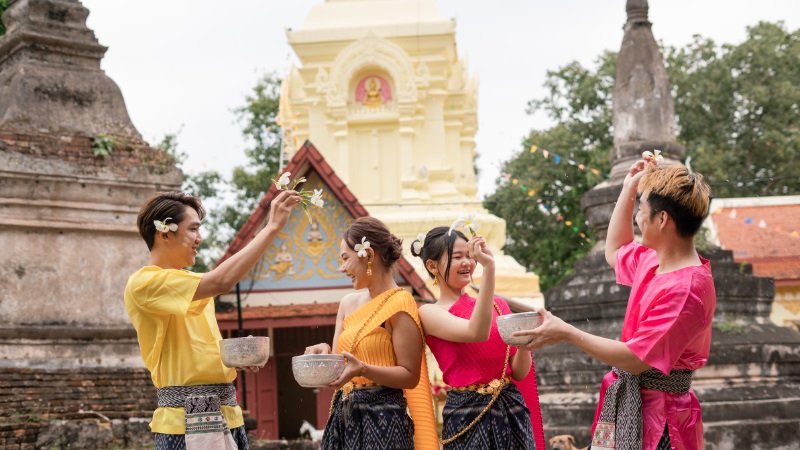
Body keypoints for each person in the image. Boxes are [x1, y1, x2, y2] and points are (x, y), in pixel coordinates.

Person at [515, 158, 715, 450]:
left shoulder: (686, 289)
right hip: (630, 402)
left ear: (662, 220)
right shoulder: (654, 259)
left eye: (641, 211)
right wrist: (629, 188)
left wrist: (567, 333)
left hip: (663, 420)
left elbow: (635, 359)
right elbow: (616, 249)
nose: (637, 219)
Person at [124, 189, 300, 450]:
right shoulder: (144, 283)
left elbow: (199, 351)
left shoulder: (192, 286)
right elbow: (222, 280)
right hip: (183, 423)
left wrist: (236, 357)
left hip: (227, 415)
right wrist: (271, 227)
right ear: (164, 233)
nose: (199, 238)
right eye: (193, 229)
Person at [305, 217, 438, 450]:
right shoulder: (347, 303)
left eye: (346, 258)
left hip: (384, 422)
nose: (342, 268)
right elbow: (339, 369)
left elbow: (410, 375)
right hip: (343, 418)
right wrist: (324, 352)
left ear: (369, 254)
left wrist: (364, 369)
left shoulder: (400, 303)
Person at [411, 226, 546, 450]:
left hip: (511, 408)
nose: (468, 263)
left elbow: (518, 372)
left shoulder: (498, 305)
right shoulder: (430, 313)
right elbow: (476, 332)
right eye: (457, 257)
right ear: (432, 265)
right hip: (467, 413)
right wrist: (490, 268)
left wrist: (525, 343)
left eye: (469, 255)